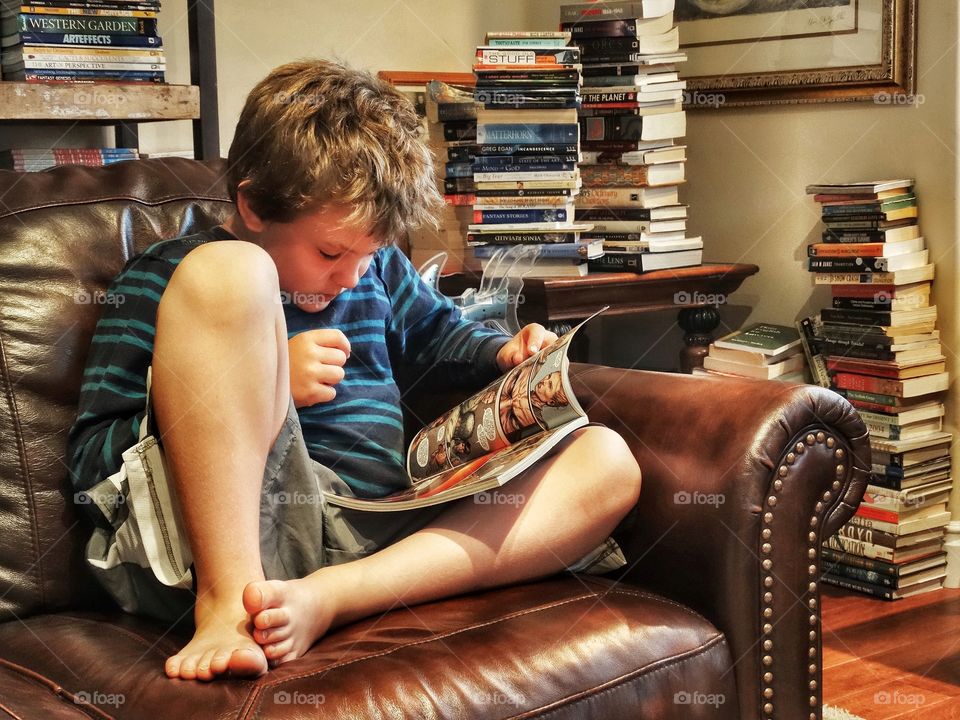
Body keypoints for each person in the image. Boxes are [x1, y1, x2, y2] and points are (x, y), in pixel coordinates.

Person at [67, 59, 642, 682]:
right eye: (330, 253)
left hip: (373, 531)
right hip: (220, 537)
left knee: (607, 460)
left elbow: (439, 337)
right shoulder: (171, 272)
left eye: (368, 257)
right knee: (231, 271)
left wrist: (501, 353)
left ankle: (339, 596)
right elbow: (94, 458)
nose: (350, 277)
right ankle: (229, 605)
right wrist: (263, 392)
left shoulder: (373, 269)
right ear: (254, 203)